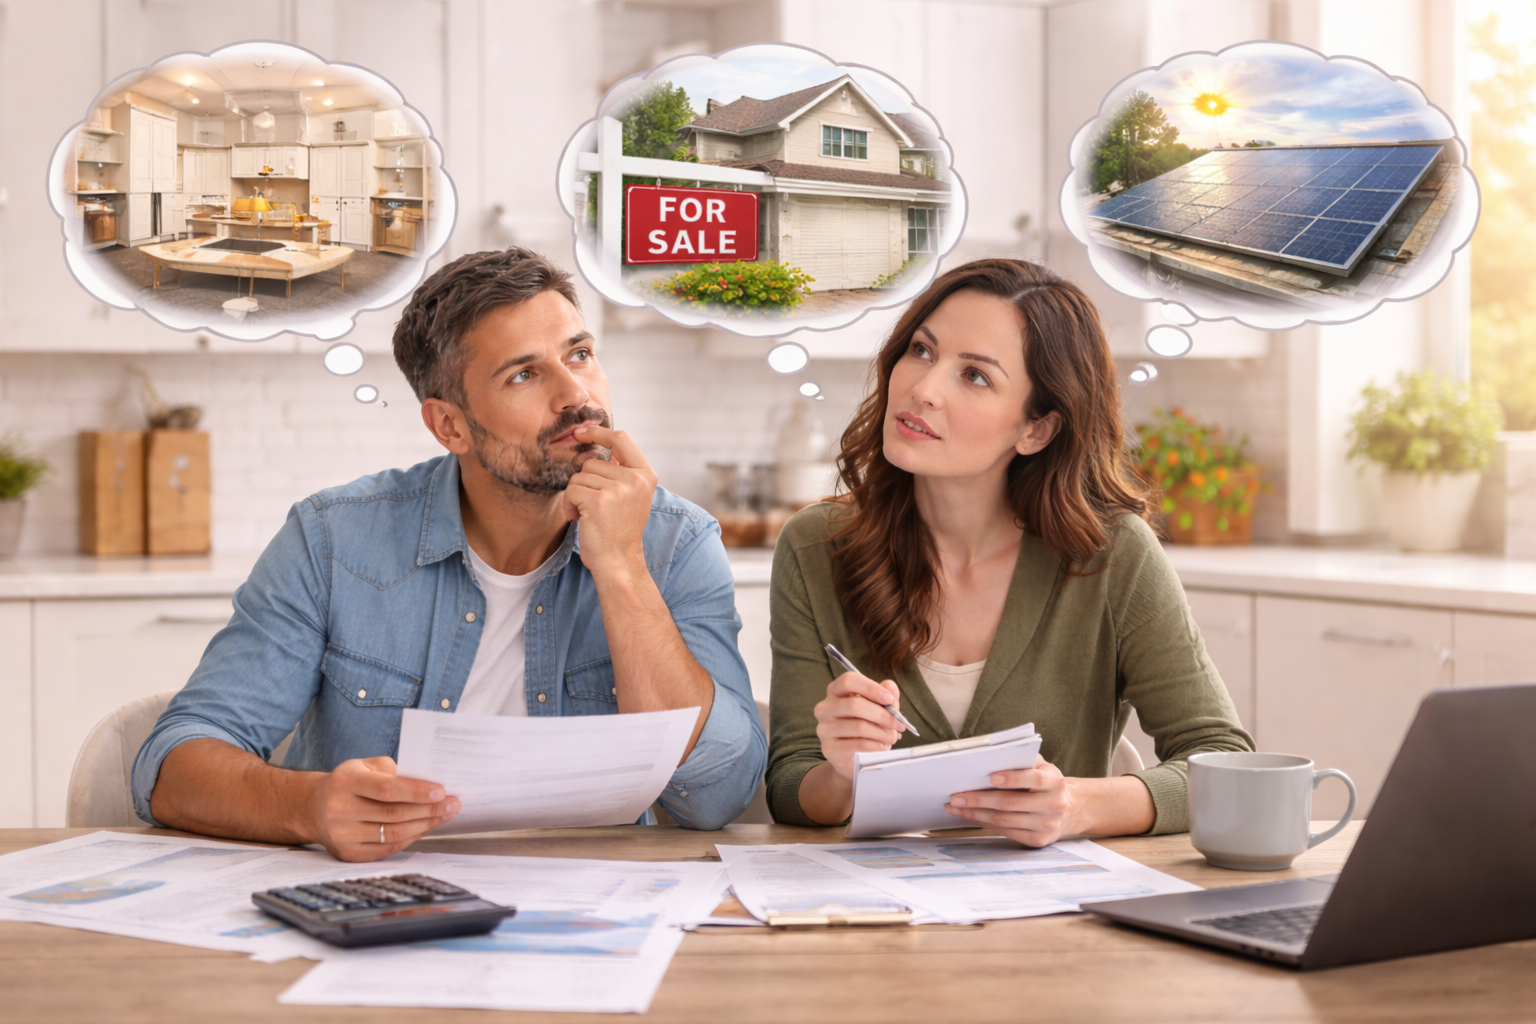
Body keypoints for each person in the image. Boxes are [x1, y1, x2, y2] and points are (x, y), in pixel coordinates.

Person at [133, 247, 766, 861]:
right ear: (449, 426)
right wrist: (309, 804)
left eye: (580, 354)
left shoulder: (675, 543)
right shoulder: (332, 540)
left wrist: (624, 569)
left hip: (602, 913)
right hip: (380, 911)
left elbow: (719, 796)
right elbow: (175, 765)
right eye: (524, 373)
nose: (577, 394)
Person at [767, 258, 1252, 843]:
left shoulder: (1110, 555)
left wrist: (1079, 805)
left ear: (1037, 430)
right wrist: (842, 774)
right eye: (922, 350)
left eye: (974, 376)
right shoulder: (816, 545)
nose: (922, 389)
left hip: (1055, 915)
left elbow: (1222, 762)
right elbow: (792, 787)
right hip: (883, 919)